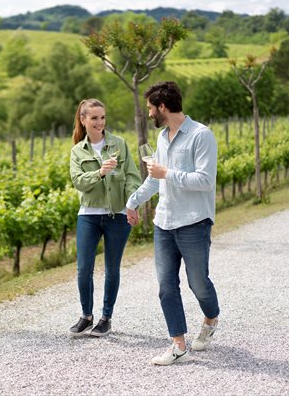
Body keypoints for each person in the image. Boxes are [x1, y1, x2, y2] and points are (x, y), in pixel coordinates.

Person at [126, 81, 220, 365]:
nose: (149, 114)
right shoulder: (162, 138)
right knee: (166, 286)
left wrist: (168, 172)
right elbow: (155, 178)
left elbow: (205, 181)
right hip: (164, 223)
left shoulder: (201, 136)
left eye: (151, 109)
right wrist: (132, 202)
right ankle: (178, 344)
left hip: (194, 223)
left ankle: (211, 317)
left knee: (198, 283)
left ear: (163, 107)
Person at [69, 98, 141, 337]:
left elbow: (132, 177)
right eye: (94, 118)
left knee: (112, 269)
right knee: (83, 269)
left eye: (102, 117)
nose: (100, 122)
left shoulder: (119, 144)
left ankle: (105, 319)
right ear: (83, 120)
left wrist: (132, 203)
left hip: (118, 217)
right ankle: (86, 316)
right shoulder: (78, 151)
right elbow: (78, 181)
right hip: (89, 216)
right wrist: (99, 172)